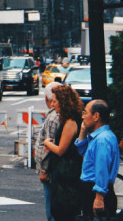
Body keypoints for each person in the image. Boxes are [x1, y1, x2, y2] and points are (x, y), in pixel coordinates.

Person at [42, 84, 84, 221]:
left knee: (62, 212)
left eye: (55, 101)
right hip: (66, 173)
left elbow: (61, 150)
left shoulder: (70, 122)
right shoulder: (69, 119)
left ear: (63, 101)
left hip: (67, 174)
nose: (53, 104)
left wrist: (48, 143)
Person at [75, 99, 120, 219]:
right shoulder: (98, 137)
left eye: (85, 113)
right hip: (93, 189)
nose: (82, 116)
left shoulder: (102, 140)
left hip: (96, 190)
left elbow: (102, 168)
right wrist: (83, 130)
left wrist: (99, 197)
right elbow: (82, 150)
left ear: (96, 116)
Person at [34, 82, 61, 221]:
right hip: (53, 169)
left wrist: (44, 171)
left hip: (50, 171)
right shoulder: (55, 116)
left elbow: (49, 147)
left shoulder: (53, 118)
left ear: (47, 99)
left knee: (51, 208)